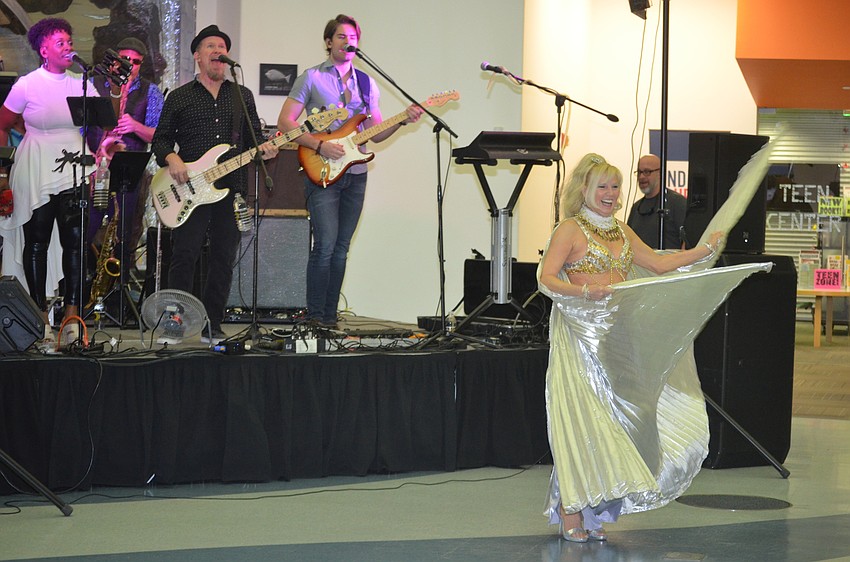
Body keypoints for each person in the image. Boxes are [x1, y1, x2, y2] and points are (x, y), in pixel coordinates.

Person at [537, 153, 724, 543]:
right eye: (602, 186)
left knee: (614, 422)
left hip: (617, 340)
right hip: (580, 336)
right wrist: (586, 291)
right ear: (584, 191)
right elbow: (546, 278)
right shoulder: (570, 229)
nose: (611, 193)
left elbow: (656, 264)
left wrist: (703, 251)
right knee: (581, 420)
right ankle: (570, 506)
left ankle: (594, 506)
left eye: (615, 186)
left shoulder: (621, 230)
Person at [276, 14, 423, 327]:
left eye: (353, 37)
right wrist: (318, 146)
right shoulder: (312, 77)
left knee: (341, 249)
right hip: (323, 172)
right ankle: (315, 316)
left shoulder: (367, 83)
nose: (348, 41)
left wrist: (401, 121)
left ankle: (329, 317)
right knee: (326, 246)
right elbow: (285, 122)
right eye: (341, 36)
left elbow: (375, 132)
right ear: (329, 42)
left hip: (356, 175)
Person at [150, 24, 278, 344]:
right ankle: (174, 325)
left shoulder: (241, 95)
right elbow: (160, 140)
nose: (218, 51)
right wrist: (173, 159)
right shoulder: (180, 97)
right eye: (211, 46)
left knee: (223, 257)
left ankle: (212, 324)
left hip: (230, 187)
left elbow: (253, 140)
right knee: (185, 255)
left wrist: (267, 148)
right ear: (198, 56)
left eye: (222, 47)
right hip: (189, 188)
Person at [0, 18, 100, 349]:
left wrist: (116, 91)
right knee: (37, 241)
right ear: (44, 49)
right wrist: (2, 173)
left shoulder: (81, 83)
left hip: (74, 167)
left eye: (70, 40)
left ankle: (72, 317)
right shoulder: (28, 84)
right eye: (60, 42)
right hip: (37, 165)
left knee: (75, 242)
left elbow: (104, 119)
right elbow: (2, 124)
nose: (68, 46)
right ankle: (39, 316)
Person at [86, 37, 164, 308]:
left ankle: (117, 296)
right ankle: (86, 292)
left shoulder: (151, 92)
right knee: (87, 228)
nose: (128, 65)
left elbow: (158, 134)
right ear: (113, 61)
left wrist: (133, 126)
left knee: (126, 232)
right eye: (124, 60)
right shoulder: (94, 85)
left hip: (130, 171)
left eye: (135, 62)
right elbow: (81, 127)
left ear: (141, 66)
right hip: (95, 170)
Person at [627, 154, 688, 249]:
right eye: (639, 172)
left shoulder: (677, 203)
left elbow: (688, 241)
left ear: (661, 173)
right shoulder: (636, 207)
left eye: (647, 172)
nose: (641, 177)